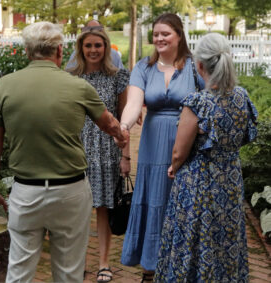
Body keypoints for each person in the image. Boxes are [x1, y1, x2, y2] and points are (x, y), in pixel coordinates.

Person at [0, 21, 128, 283]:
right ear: (60, 51)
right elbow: (109, 123)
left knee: (19, 271)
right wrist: (121, 135)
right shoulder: (79, 86)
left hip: (26, 192)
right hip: (70, 191)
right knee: (70, 272)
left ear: (27, 51)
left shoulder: (5, 86)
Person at [154, 33, 258, 282]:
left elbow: (179, 151)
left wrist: (173, 166)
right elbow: (246, 135)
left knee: (194, 241)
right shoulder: (242, 97)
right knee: (226, 242)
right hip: (230, 183)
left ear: (199, 65)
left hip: (198, 185)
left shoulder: (198, 102)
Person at [119, 13, 205, 282]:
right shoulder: (143, 67)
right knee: (153, 201)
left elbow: (209, 102)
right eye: (155, 34)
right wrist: (122, 127)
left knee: (180, 204)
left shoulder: (194, 67)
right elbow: (133, 104)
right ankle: (149, 268)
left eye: (165, 33)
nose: (159, 38)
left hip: (186, 146)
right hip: (153, 145)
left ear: (179, 35)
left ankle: (180, 267)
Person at [69, 27, 130, 283]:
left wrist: (125, 156)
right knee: (76, 211)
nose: (93, 50)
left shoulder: (118, 77)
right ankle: (76, 262)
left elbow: (124, 121)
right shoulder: (70, 77)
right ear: (80, 49)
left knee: (104, 208)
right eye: (88, 46)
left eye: (98, 45)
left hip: (107, 151)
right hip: (76, 151)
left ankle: (104, 263)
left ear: (106, 48)